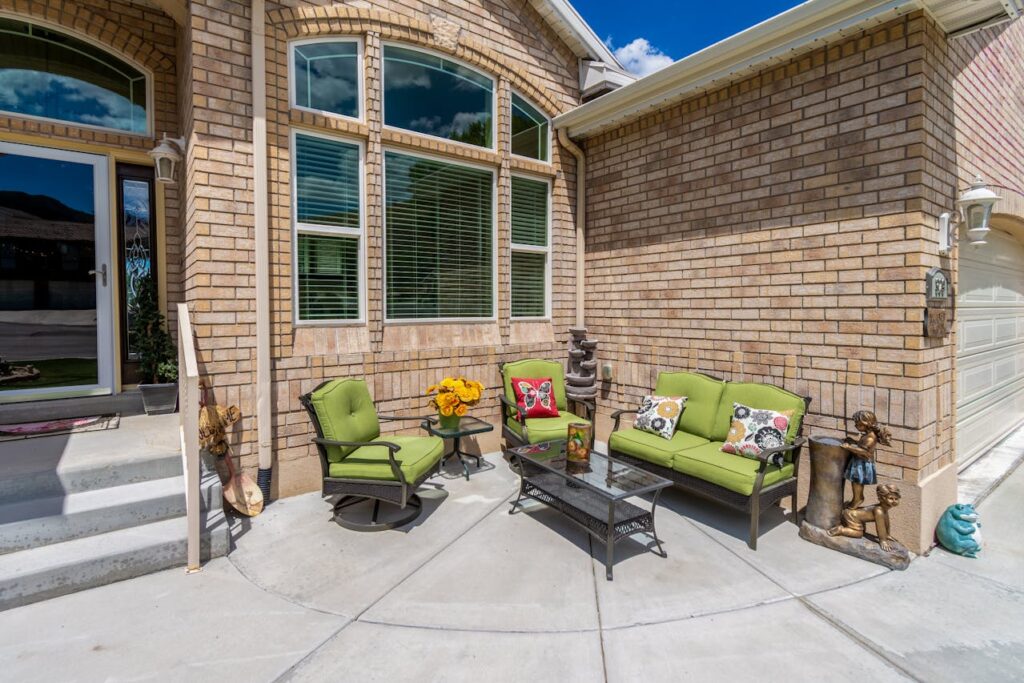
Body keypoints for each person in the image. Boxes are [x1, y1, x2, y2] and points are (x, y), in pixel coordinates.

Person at [841, 410, 892, 509]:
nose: (856, 426)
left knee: (857, 483)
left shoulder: (870, 438)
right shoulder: (866, 435)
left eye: (858, 424)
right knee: (855, 482)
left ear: (867, 424)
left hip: (862, 464)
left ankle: (858, 498)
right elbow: (861, 446)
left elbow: (865, 452)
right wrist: (853, 442)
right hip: (858, 462)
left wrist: (849, 447)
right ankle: (856, 498)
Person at [828, 484, 902, 552]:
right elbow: (880, 526)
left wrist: (887, 534)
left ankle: (845, 528)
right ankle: (840, 530)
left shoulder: (883, 509)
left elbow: (886, 520)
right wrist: (883, 541)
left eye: (896, 499)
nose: (894, 501)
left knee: (862, 531)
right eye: (891, 498)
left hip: (857, 517)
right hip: (852, 516)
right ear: (882, 498)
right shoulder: (879, 511)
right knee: (859, 534)